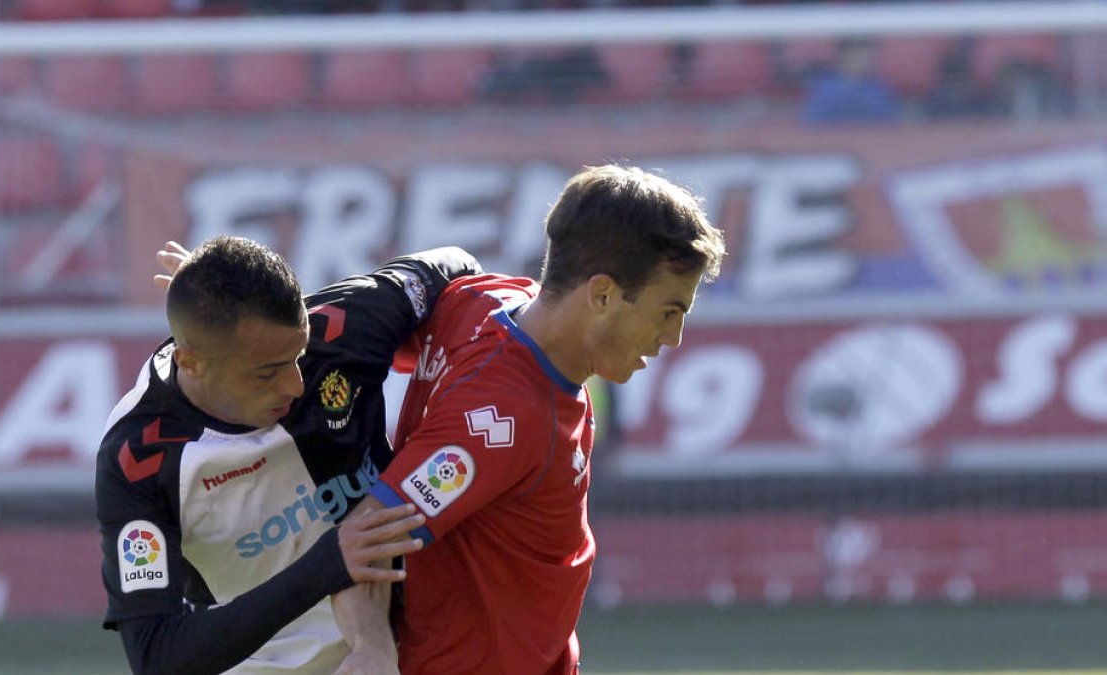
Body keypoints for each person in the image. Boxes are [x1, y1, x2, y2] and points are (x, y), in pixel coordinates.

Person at [356, 164, 727, 673]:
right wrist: (370, 646)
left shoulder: (485, 300)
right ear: (601, 295)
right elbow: (369, 531)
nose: (674, 337)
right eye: (669, 311)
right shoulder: (502, 419)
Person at [96, 235, 481, 674]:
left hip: (405, 649)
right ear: (191, 362)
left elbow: (457, 264)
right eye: (267, 373)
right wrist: (328, 564)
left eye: (297, 355)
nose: (296, 385)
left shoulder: (344, 327)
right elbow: (158, 656)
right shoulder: (138, 457)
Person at [800, 38, 901, 126]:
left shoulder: (879, 91)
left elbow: (889, 124)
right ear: (843, 56)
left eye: (866, 55)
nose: (862, 60)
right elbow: (812, 123)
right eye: (856, 54)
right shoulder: (824, 90)